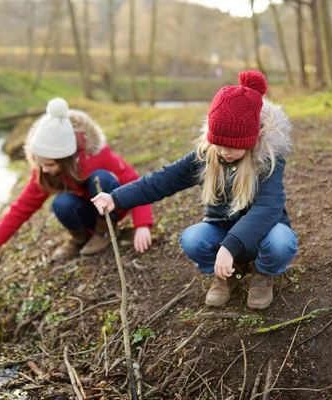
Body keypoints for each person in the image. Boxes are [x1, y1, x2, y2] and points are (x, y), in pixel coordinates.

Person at [92, 71, 297, 309]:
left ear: (250, 141)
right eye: (218, 143)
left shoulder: (268, 161)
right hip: (221, 229)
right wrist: (116, 198)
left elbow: (268, 208)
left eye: (232, 146)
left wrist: (230, 246)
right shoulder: (206, 156)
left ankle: (263, 275)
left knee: (281, 241)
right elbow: (162, 180)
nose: (224, 151)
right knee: (192, 238)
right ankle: (227, 277)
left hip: (263, 234)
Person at [0, 98, 153, 264]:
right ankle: (80, 238)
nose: (44, 169)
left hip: (109, 208)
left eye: (50, 164)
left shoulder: (95, 154)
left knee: (101, 178)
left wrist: (142, 224)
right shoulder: (44, 170)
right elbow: (23, 206)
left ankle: (105, 231)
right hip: (84, 212)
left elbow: (133, 182)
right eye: (40, 163)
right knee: (61, 202)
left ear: (66, 159)